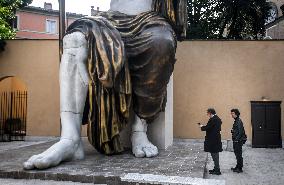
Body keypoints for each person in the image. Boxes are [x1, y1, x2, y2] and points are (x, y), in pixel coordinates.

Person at [23, 0, 187, 170]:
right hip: (109, 20)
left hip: (149, 21)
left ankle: (139, 130)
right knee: (74, 39)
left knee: (162, 43)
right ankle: (70, 139)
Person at [198, 108, 223, 175]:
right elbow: (210, 127)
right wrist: (204, 127)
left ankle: (217, 170)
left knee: (215, 155)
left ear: (210, 113)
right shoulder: (216, 118)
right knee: (214, 155)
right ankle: (216, 168)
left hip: (213, 141)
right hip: (215, 140)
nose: (207, 114)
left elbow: (208, 127)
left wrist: (201, 126)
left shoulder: (214, 119)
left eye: (208, 113)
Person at [230, 109, 246, 173]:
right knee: (237, 154)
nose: (231, 114)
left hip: (238, 141)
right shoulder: (236, 120)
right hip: (236, 140)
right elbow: (237, 130)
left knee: (239, 155)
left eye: (233, 113)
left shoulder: (238, 121)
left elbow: (241, 132)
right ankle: (237, 166)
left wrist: (236, 140)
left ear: (236, 114)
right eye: (231, 113)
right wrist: (233, 131)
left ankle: (240, 168)